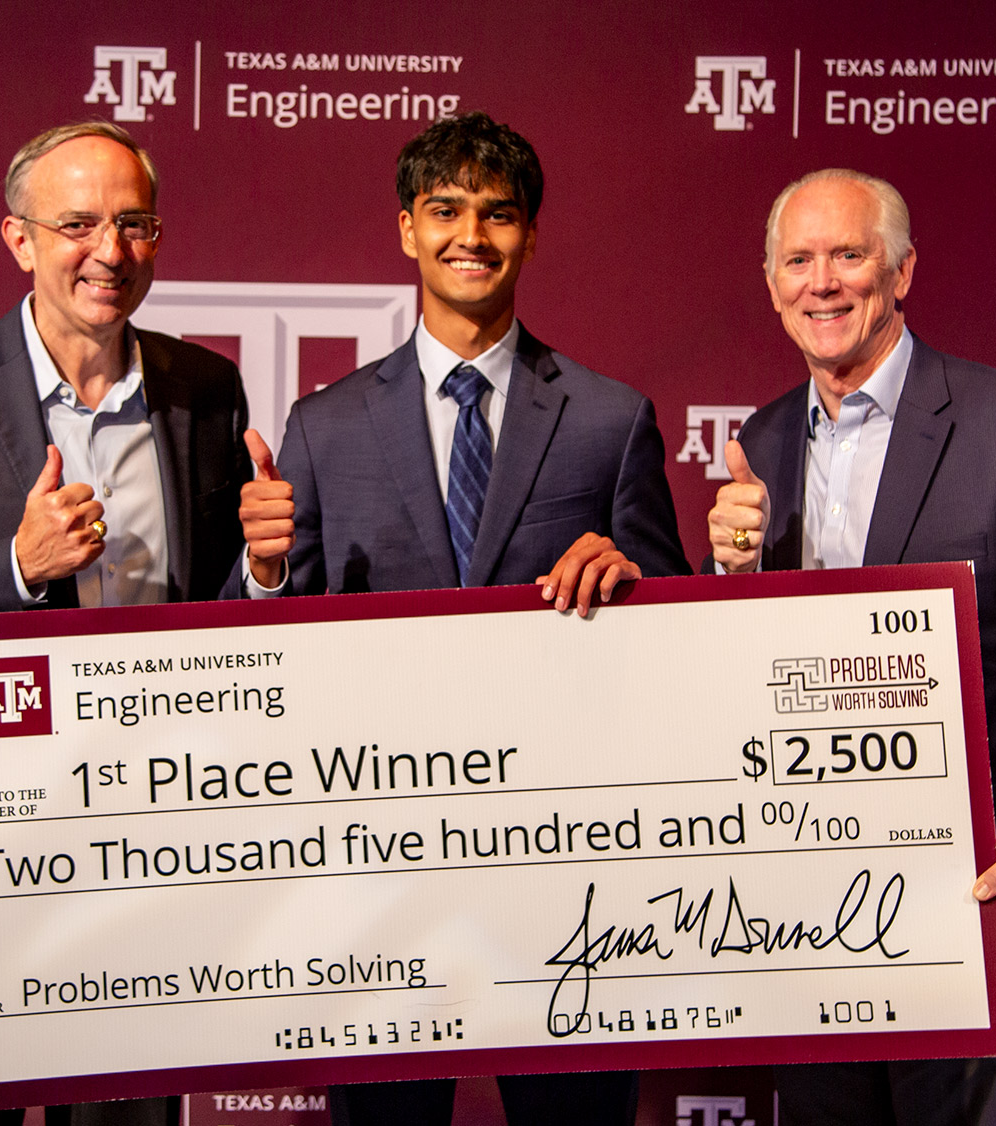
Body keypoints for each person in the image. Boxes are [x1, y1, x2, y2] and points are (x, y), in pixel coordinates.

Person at [231, 111, 689, 1124]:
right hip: (381, 871)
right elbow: (254, 650)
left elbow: (679, 643)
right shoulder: (325, 423)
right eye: (444, 210)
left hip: (569, 871)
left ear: (530, 234)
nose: (469, 236)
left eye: (497, 214)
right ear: (405, 229)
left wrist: (635, 581)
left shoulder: (609, 419)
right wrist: (263, 570)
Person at [0, 122, 249, 1126]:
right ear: (17, 239)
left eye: (134, 223)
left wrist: (265, 573)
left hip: (145, 848)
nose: (109, 252)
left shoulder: (205, 389)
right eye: (77, 224)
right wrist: (14, 568)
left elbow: (223, 620)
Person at [707, 169, 996, 1126]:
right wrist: (728, 580)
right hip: (809, 912)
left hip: (976, 907)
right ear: (772, 285)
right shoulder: (763, 440)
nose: (823, 282)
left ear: (901, 272)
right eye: (798, 260)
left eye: (849, 255)